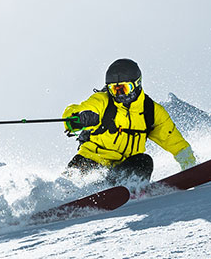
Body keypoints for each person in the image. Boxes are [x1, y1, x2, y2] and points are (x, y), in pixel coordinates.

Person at [62, 58, 197, 183]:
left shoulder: (151, 111)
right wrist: (80, 118)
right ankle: (63, 198)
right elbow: (74, 112)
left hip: (123, 168)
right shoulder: (102, 101)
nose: (119, 94)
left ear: (137, 84)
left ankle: (125, 190)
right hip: (90, 161)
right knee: (76, 174)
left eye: (124, 88)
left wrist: (190, 167)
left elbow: (173, 141)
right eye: (114, 89)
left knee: (144, 161)